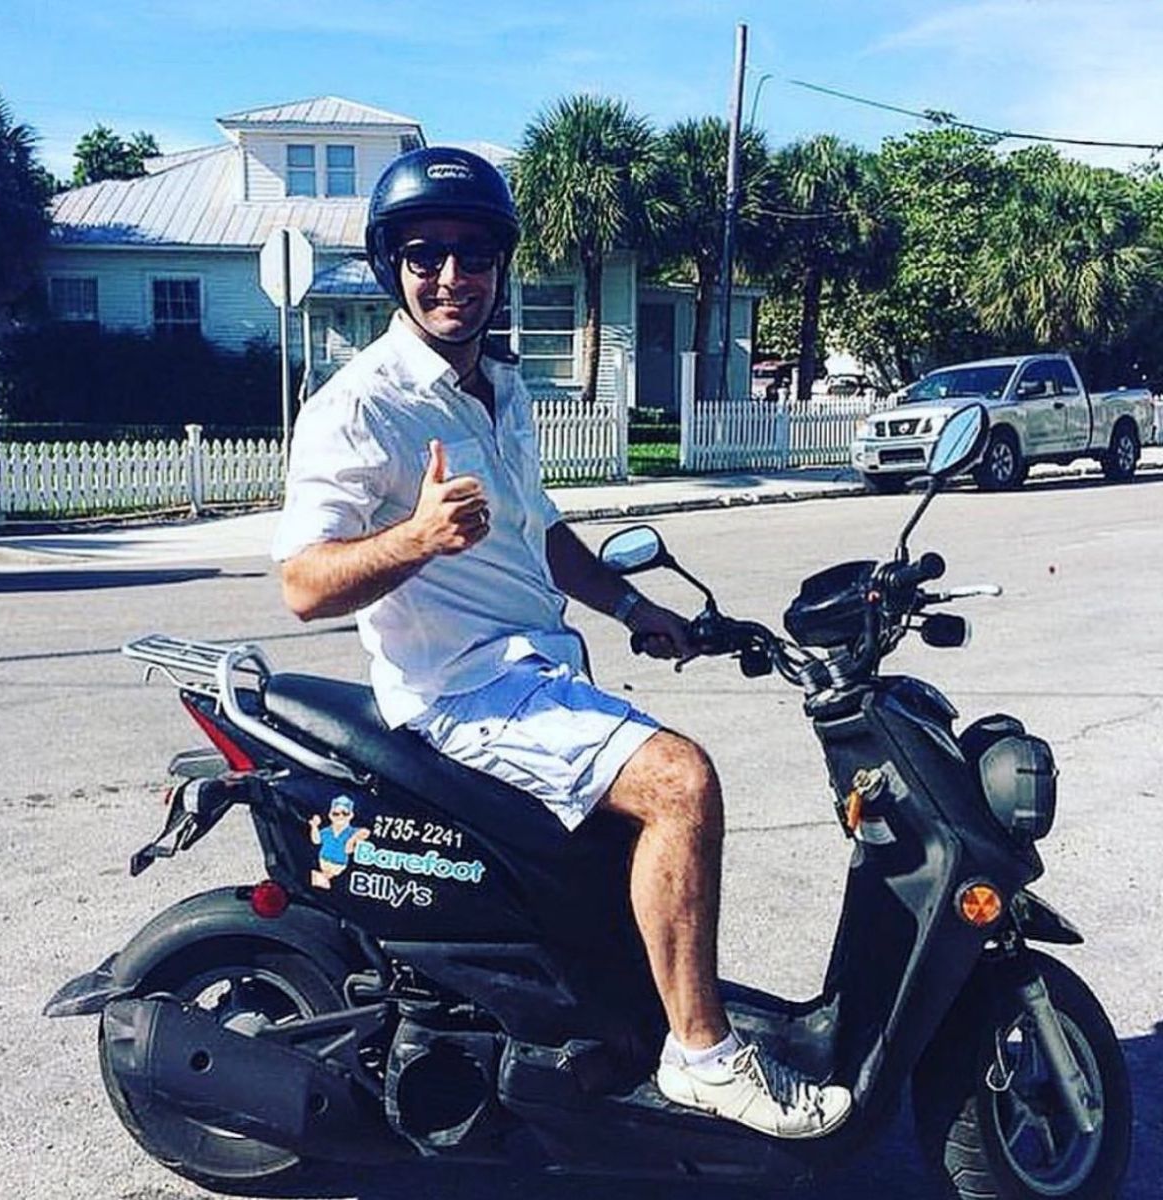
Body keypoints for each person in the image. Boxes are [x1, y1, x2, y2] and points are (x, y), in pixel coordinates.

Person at [272, 147, 851, 1139]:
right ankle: (703, 1058)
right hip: (458, 693)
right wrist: (415, 538)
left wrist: (634, 612)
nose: (450, 275)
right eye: (425, 254)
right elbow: (300, 586)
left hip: (533, 673)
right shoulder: (359, 406)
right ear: (391, 267)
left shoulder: (501, 390)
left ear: (499, 265)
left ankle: (616, 1022)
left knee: (637, 819)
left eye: (472, 253)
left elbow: (540, 530)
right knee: (681, 783)